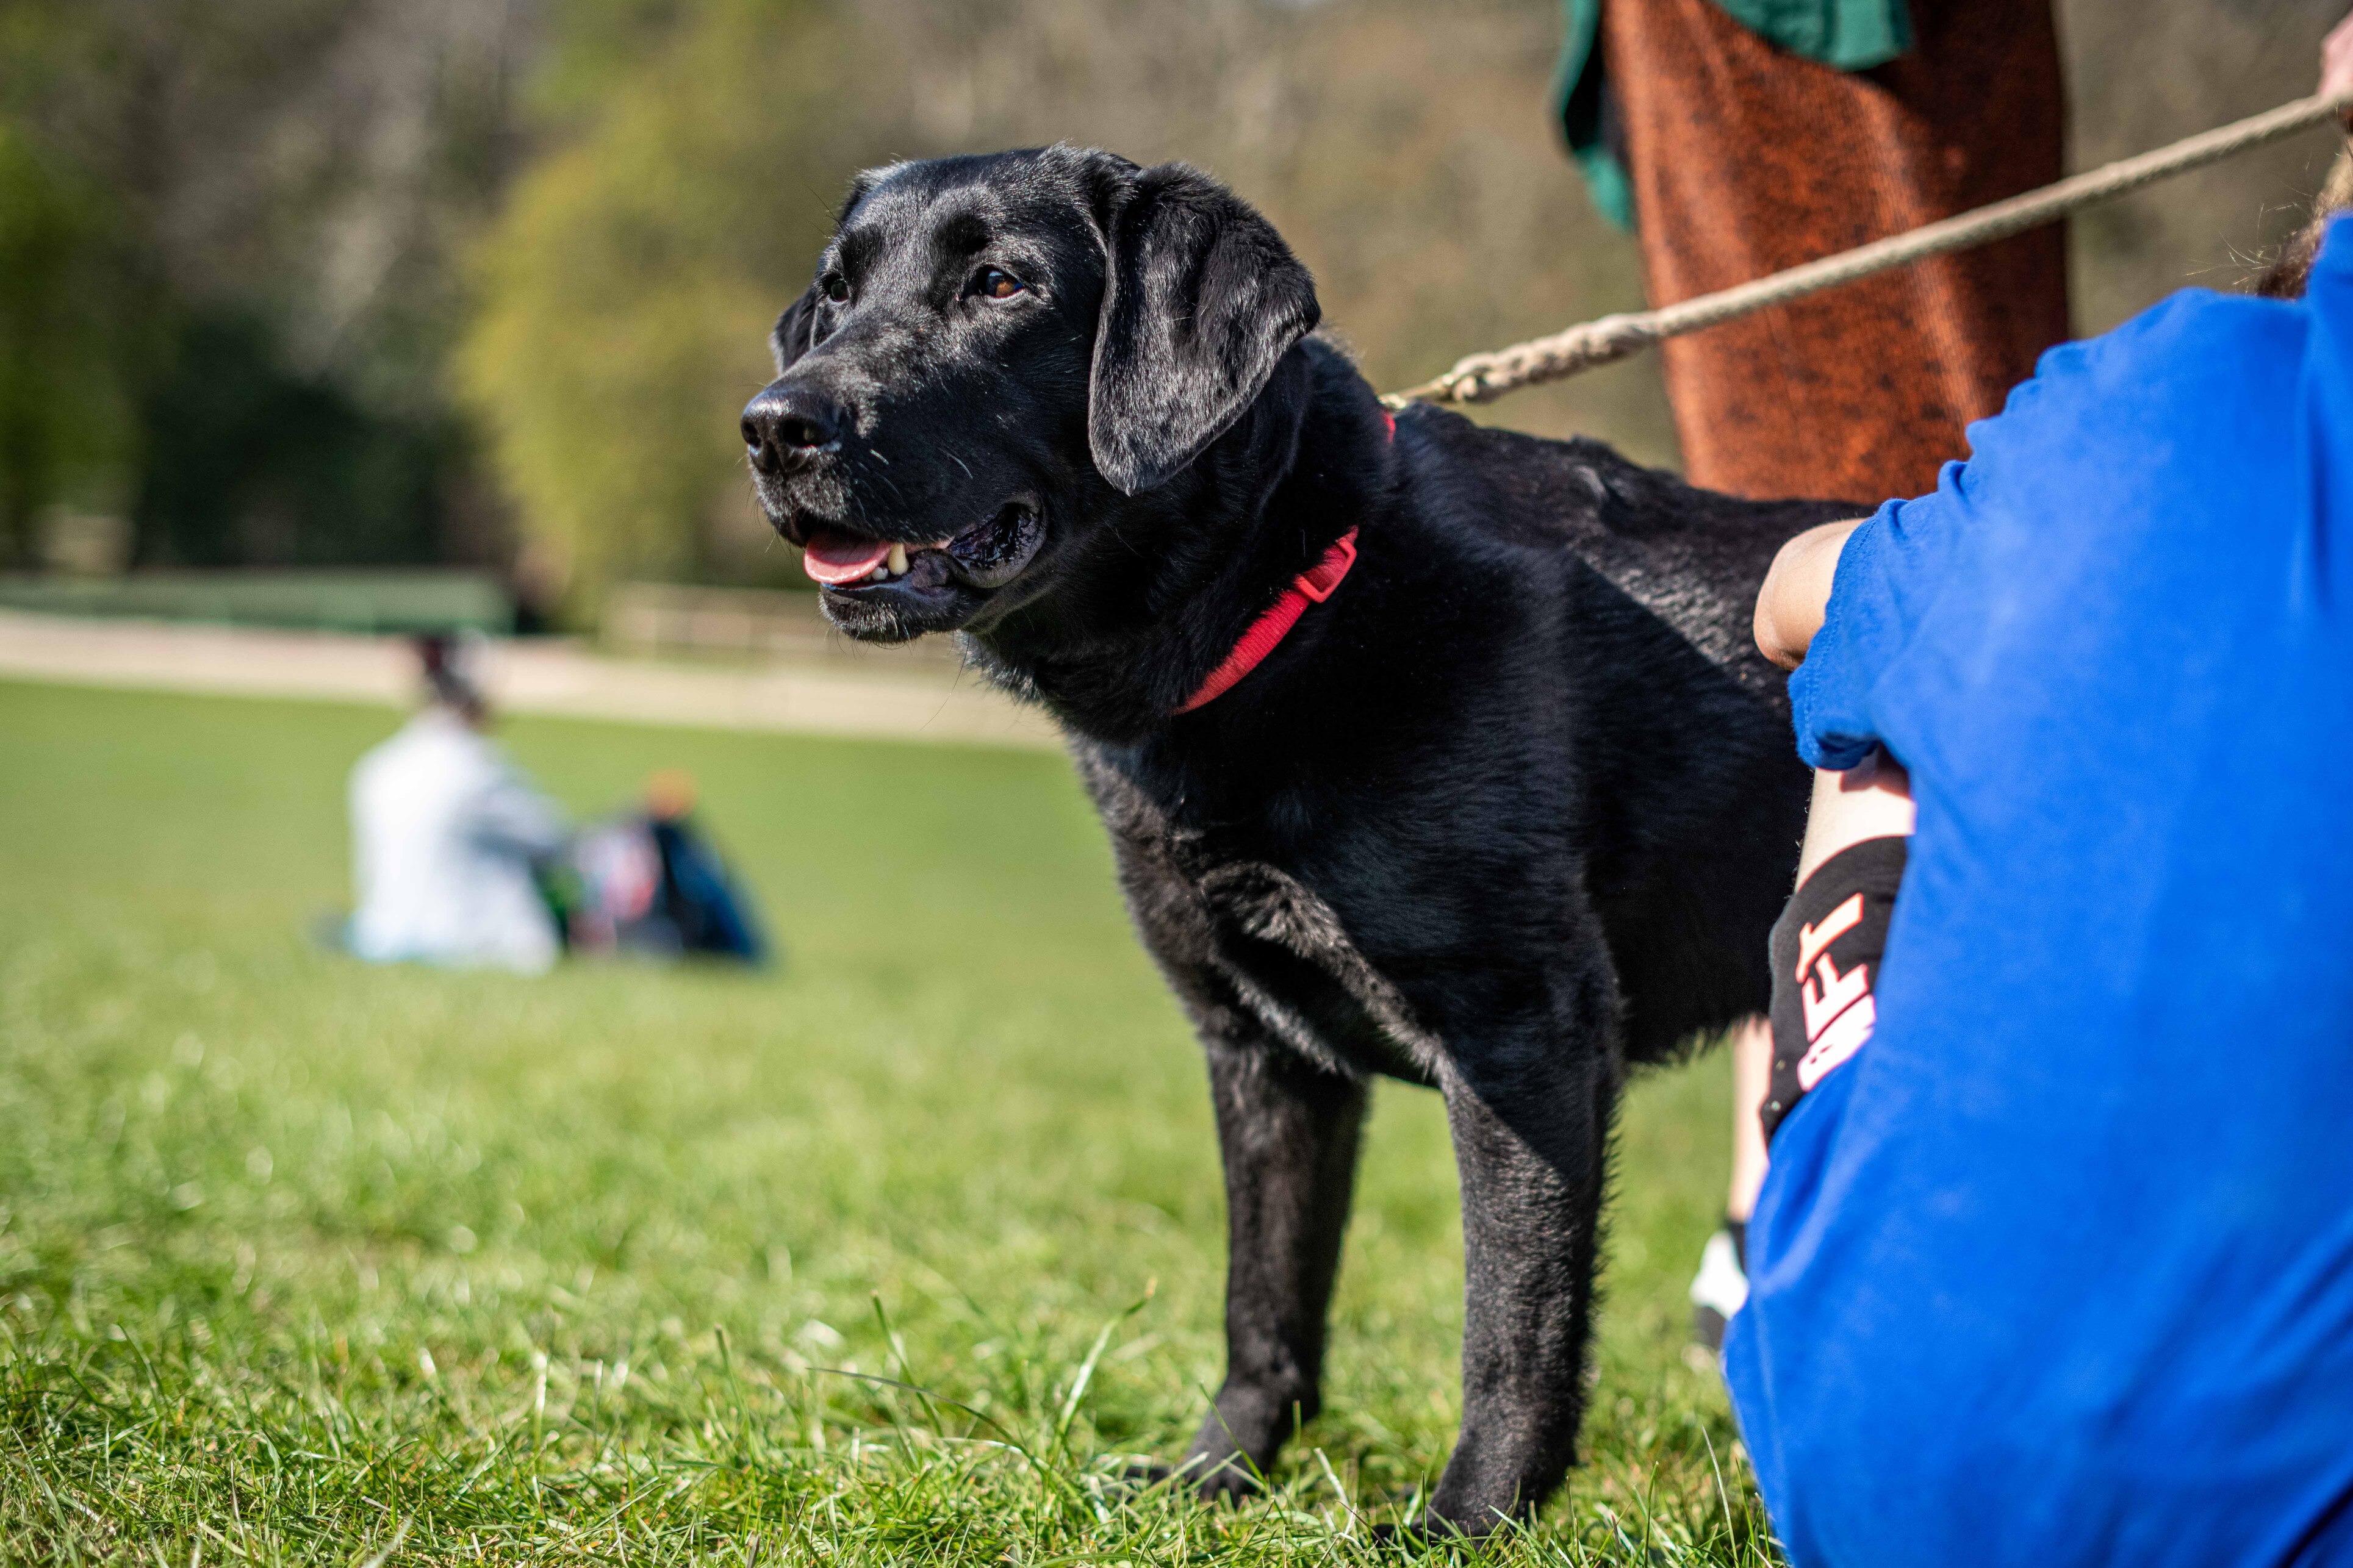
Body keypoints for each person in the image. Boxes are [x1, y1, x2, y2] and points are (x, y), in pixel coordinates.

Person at [1719, 187, 2353, 1568]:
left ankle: (1772, 1269)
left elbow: (1788, 603)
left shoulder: (2143, 387)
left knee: (1871, 716)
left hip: (1876, 1490)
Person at [1554, 0, 2076, 1343]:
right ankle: (1797, 1200)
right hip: (1760, 42)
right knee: (1861, 550)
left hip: (1866, 45)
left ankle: (1813, 1202)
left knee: (1907, 540)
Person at [345, 635, 570, 974]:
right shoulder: (479, 769)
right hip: (474, 943)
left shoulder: (377, 767)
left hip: (383, 936)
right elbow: (556, 841)